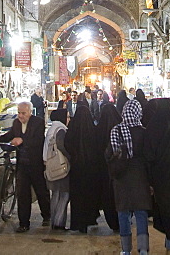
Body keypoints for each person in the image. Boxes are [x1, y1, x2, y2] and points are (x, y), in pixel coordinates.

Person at [0, 101, 50, 232]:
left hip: (35, 163)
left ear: (30, 112)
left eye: (23, 113)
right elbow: (10, 135)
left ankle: (47, 215)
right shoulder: (16, 123)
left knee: (41, 191)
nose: (20, 116)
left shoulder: (38, 122)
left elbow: (39, 140)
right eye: (19, 113)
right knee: (22, 193)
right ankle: (24, 223)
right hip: (22, 163)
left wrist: (23, 140)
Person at [143, 98, 170, 254]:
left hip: (160, 178)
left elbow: (148, 156)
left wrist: (150, 180)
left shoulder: (151, 128)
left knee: (166, 210)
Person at [108, 100, 153, 255]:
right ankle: (143, 249)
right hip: (140, 176)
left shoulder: (116, 130)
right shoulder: (144, 131)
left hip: (121, 177)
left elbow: (110, 154)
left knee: (123, 212)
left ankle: (126, 250)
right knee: (141, 212)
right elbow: (149, 156)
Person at [65, 94, 101, 233]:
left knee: (78, 197)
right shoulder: (93, 130)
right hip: (91, 168)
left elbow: (67, 144)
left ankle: (79, 223)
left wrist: (74, 155)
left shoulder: (72, 130)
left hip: (77, 168)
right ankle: (91, 218)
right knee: (90, 194)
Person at [95, 93, 122, 232]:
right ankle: (122, 222)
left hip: (104, 172)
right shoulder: (121, 128)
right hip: (120, 171)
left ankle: (112, 222)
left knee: (108, 197)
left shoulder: (99, 130)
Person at [44, 109, 71, 230]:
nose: (69, 119)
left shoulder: (52, 128)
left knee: (55, 194)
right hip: (59, 166)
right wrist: (71, 157)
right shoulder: (60, 130)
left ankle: (54, 221)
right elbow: (61, 146)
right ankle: (59, 223)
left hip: (50, 166)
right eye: (68, 117)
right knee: (64, 194)